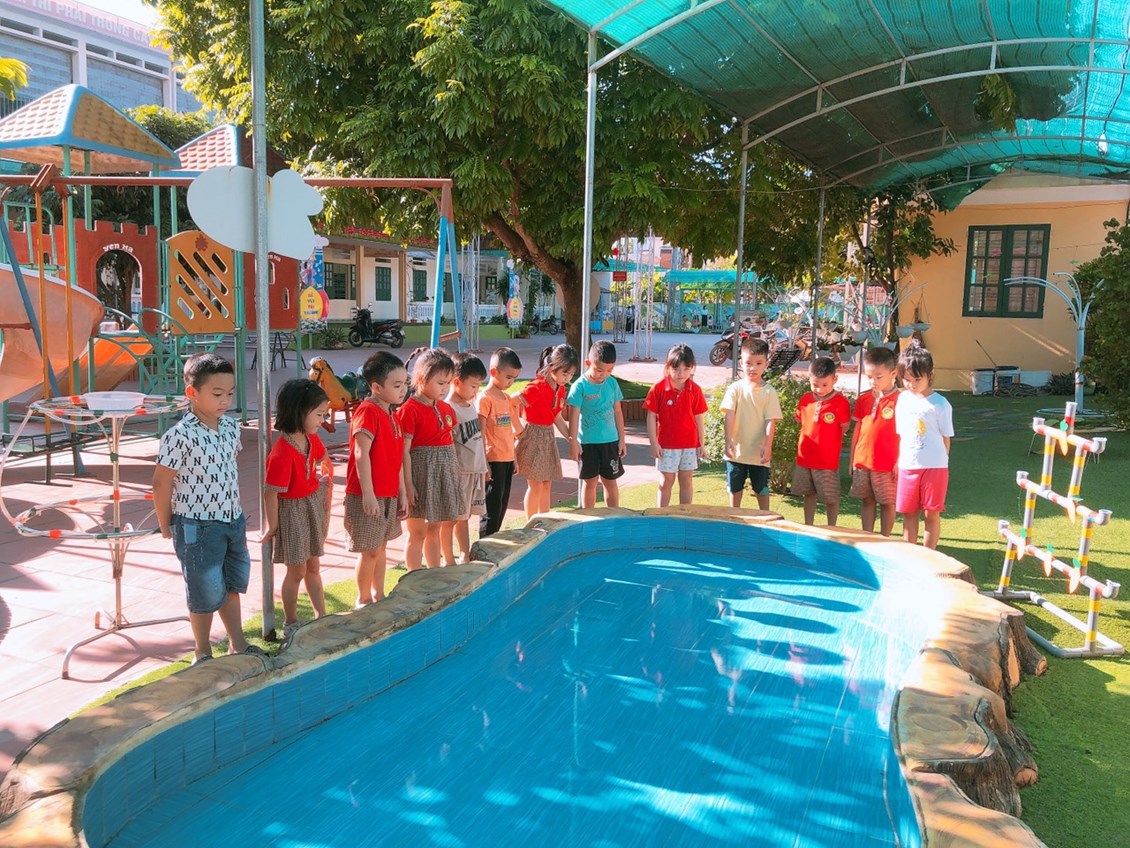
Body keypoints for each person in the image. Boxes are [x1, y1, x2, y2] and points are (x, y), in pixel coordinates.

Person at [152, 353, 264, 664]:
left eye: (230, 393)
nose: (225, 400)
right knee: (203, 590)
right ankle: (202, 651)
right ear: (192, 393)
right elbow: (161, 483)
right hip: (197, 526)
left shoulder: (230, 428)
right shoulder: (179, 436)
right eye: (217, 394)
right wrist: (165, 523)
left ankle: (237, 643)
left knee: (231, 584)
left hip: (232, 519)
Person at [262, 379, 331, 638]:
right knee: (297, 570)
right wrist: (273, 525)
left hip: (310, 505)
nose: (323, 420)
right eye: (319, 414)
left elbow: (322, 457)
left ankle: (321, 615)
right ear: (299, 411)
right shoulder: (282, 453)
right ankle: (291, 622)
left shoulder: (311, 438)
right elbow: (271, 492)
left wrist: (324, 471)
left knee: (313, 565)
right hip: (292, 513)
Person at [344, 352, 408, 605]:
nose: (403, 390)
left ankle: (378, 595)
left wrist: (402, 492)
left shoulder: (392, 414)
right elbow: (361, 453)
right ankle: (363, 599)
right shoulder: (368, 411)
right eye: (397, 385)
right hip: (367, 494)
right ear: (377, 387)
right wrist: (368, 494)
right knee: (369, 550)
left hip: (388, 492)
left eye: (405, 384)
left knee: (381, 547)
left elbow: (397, 459)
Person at [397, 347, 464, 568]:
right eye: (440, 383)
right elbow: (403, 451)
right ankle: (414, 576)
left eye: (448, 383)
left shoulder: (446, 408)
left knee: (435, 527)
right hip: (420, 477)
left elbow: (450, 442)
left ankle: (434, 573)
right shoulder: (409, 410)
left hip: (443, 475)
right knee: (417, 532)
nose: (445, 388)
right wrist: (408, 485)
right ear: (421, 378)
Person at [895, 341, 953, 549]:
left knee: (931, 513)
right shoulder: (902, 399)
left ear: (930, 375)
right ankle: (910, 555)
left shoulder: (941, 404)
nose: (911, 384)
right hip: (908, 465)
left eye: (917, 379)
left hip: (935, 467)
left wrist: (942, 464)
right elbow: (902, 434)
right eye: (907, 379)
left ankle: (929, 555)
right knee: (909, 513)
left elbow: (946, 438)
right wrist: (898, 461)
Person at [515, 344, 579, 519]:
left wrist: (571, 438)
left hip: (548, 437)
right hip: (532, 436)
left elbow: (556, 417)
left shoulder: (560, 389)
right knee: (535, 485)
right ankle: (530, 523)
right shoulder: (537, 387)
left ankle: (544, 520)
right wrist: (518, 429)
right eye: (565, 373)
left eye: (571, 374)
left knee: (546, 483)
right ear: (552, 368)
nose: (567, 378)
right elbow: (512, 402)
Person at [721, 337, 782, 510]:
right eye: (748, 363)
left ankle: (766, 518)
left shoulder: (769, 392)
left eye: (758, 363)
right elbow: (729, 415)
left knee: (761, 489)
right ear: (741, 362)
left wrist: (767, 446)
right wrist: (728, 440)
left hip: (759, 453)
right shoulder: (735, 388)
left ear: (766, 364)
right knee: (734, 489)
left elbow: (771, 421)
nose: (753, 368)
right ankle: (734, 517)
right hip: (736, 452)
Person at [644, 343, 708, 507]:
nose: (681, 374)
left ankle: (684, 513)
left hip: (689, 445)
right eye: (676, 369)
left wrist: (701, 443)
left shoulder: (695, 390)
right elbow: (651, 416)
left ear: (692, 368)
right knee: (666, 480)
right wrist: (653, 442)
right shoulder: (658, 389)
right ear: (668, 367)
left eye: (686, 369)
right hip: (666, 445)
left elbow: (699, 417)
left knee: (686, 479)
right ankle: (661, 514)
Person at [567, 340, 626, 508]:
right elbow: (573, 417)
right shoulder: (579, 386)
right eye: (599, 370)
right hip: (587, 443)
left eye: (609, 370)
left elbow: (618, 412)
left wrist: (622, 440)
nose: (604, 374)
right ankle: (588, 518)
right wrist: (573, 442)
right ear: (588, 363)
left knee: (610, 481)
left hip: (610, 442)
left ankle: (613, 515)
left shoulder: (612, 383)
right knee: (590, 482)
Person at [792, 356, 851, 526]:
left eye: (825, 385)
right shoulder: (805, 399)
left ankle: (831, 527)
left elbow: (845, 426)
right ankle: (808, 525)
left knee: (830, 497)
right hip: (805, 457)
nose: (819, 389)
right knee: (808, 493)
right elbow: (799, 419)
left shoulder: (841, 402)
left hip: (827, 460)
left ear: (834, 379)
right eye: (815, 385)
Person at [849, 346, 901, 536]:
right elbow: (857, 429)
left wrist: (899, 461)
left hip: (887, 463)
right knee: (867, 500)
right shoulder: (863, 399)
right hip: (863, 461)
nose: (873, 381)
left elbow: (905, 434)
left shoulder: (901, 400)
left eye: (879, 377)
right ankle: (867, 536)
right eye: (869, 376)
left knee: (887, 502)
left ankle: (885, 538)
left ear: (893, 373)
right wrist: (852, 459)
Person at [446, 352, 489, 562]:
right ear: (456, 382)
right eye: (473, 386)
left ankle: (464, 553)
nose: (476, 391)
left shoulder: (470, 405)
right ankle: (450, 559)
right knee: (453, 518)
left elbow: (478, 440)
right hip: (460, 473)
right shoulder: (449, 408)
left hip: (475, 470)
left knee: (465, 516)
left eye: (479, 386)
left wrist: (485, 466)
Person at [477, 347, 522, 537]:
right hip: (493, 460)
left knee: (502, 504)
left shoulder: (506, 398)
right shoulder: (484, 399)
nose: (511, 382)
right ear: (494, 372)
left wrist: (514, 458)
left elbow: (511, 431)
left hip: (507, 459)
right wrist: (484, 463)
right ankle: (484, 545)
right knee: (491, 509)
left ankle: (495, 541)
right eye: (508, 377)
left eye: (514, 378)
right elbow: (480, 433)